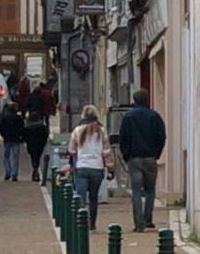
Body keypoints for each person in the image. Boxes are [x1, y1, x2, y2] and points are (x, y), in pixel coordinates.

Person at [118, 88, 167, 232]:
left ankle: (138, 224)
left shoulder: (128, 117)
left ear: (134, 100)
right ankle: (148, 220)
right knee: (150, 190)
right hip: (150, 157)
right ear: (147, 99)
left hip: (134, 158)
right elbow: (161, 136)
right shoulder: (154, 116)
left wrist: (126, 154)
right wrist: (156, 153)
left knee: (136, 191)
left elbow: (123, 138)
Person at [68, 105, 112, 230]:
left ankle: (81, 222)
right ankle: (92, 223)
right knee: (93, 197)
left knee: (81, 196)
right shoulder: (102, 130)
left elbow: (71, 150)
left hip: (82, 167)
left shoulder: (77, 130)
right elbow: (107, 151)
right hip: (97, 168)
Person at [0, 102, 25, 181]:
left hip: (7, 139)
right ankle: (14, 173)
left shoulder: (5, 118)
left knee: (6, 156)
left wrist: (4, 135)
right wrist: (21, 137)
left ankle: (7, 171)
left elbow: (0, 128)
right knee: (15, 157)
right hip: (16, 139)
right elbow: (22, 129)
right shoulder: (19, 118)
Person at [24, 112, 50, 182]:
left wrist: (26, 141)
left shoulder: (27, 127)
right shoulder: (41, 127)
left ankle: (35, 169)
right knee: (38, 157)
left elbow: (25, 136)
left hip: (31, 144)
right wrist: (44, 142)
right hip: (39, 144)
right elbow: (45, 135)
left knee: (33, 157)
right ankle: (36, 169)